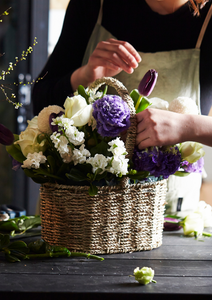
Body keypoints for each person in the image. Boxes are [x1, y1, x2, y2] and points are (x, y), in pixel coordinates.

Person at [32, 0, 212, 216]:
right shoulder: (92, 6)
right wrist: (86, 75)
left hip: (169, 221)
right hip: (80, 217)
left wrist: (188, 126)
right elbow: (41, 105)